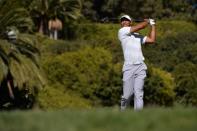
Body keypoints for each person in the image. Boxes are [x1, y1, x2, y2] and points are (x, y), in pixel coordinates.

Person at [118, 15, 156, 111]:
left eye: (126, 20)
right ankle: (122, 113)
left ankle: (139, 116)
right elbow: (141, 26)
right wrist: (147, 21)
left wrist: (153, 25)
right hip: (128, 67)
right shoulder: (122, 32)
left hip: (140, 66)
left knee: (139, 93)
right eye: (122, 21)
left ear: (130, 22)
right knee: (127, 95)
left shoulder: (137, 36)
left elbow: (152, 40)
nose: (124, 22)